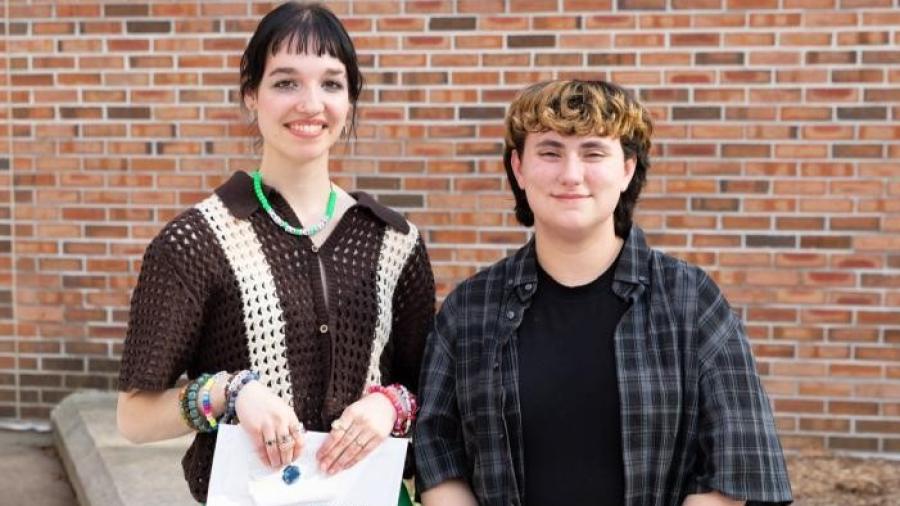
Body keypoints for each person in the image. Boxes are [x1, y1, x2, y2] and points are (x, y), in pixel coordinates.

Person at [414, 80, 792, 506]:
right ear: (519, 168)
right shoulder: (470, 309)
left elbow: (737, 464)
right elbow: (436, 452)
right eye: (550, 151)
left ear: (627, 168)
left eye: (593, 152)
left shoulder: (691, 301)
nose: (571, 175)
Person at [116, 3, 434, 503]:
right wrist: (230, 393)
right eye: (286, 82)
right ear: (251, 97)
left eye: (331, 83)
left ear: (350, 99)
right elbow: (134, 417)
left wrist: (391, 406)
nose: (311, 103)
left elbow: (429, 390)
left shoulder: (396, 243)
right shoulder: (196, 242)